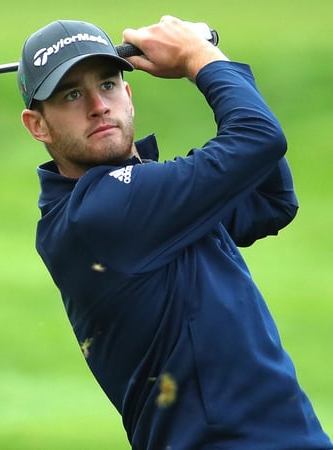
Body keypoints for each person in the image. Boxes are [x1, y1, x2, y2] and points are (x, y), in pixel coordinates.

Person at [18, 16, 332, 448]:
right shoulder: (99, 214)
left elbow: (269, 200)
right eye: (72, 95)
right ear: (37, 125)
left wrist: (204, 60)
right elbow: (258, 138)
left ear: (128, 94)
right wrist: (199, 57)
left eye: (107, 84)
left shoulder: (141, 197)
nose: (97, 104)